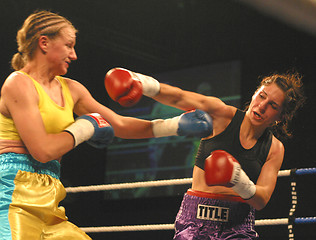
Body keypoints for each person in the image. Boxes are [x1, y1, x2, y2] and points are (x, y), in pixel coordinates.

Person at [0, 11, 214, 240]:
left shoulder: (71, 89)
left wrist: (174, 125)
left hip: (50, 196)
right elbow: (42, 151)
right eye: (68, 45)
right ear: (44, 43)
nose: (74, 55)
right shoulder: (18, 84)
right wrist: (84, 128)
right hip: (12, 194)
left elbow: (119, 124)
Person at [105, 67, 305, 239]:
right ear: (254, 93)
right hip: (196, 220)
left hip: (238, 226)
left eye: (273, 106)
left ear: (281, 117)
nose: (262, 106)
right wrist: (141, 82)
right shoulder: (221, 114)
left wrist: (238, 179)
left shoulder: (274, 148)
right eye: (262, 96)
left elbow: (261, 199)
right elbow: (179, 96)